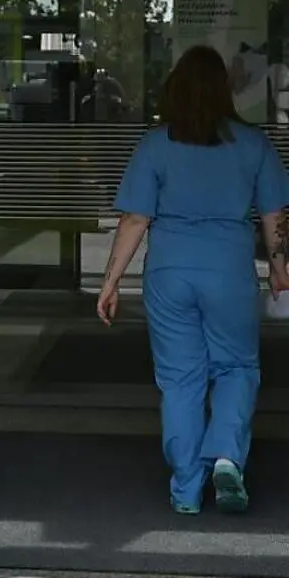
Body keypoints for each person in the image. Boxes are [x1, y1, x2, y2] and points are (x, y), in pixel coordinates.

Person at [97, 45, 289, 516]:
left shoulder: (155, 145)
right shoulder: (254, 144)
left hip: (169, 274)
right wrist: (280, 267)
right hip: (228, 273)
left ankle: (186, 488)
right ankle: (225, 456)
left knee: (181, 380)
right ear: (225, 90)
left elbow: (135, 220)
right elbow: (274, 216)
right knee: (236, 367)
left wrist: (110, 282)